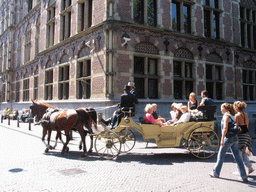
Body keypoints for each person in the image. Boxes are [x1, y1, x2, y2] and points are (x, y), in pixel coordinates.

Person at [209, 103, 248, 182]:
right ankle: (244, 176)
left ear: (225, 109)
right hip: (235, 138)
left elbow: (225, 128)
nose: (220, 110)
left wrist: (222, 139)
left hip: (228, 138)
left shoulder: (226, 116)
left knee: (220, 156)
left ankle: (215, 172)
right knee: (238, 157)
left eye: (222, 108)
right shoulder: (234, 116)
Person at [233, 101, 254, 174]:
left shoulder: (237, 116)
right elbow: (247, 125)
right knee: (243, 152)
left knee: (238, 154)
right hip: (246, 135)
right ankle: (249, 167)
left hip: (240, 135)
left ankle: (240, 171)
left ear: (236, 107)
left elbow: (236, 127)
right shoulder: (246, 115)